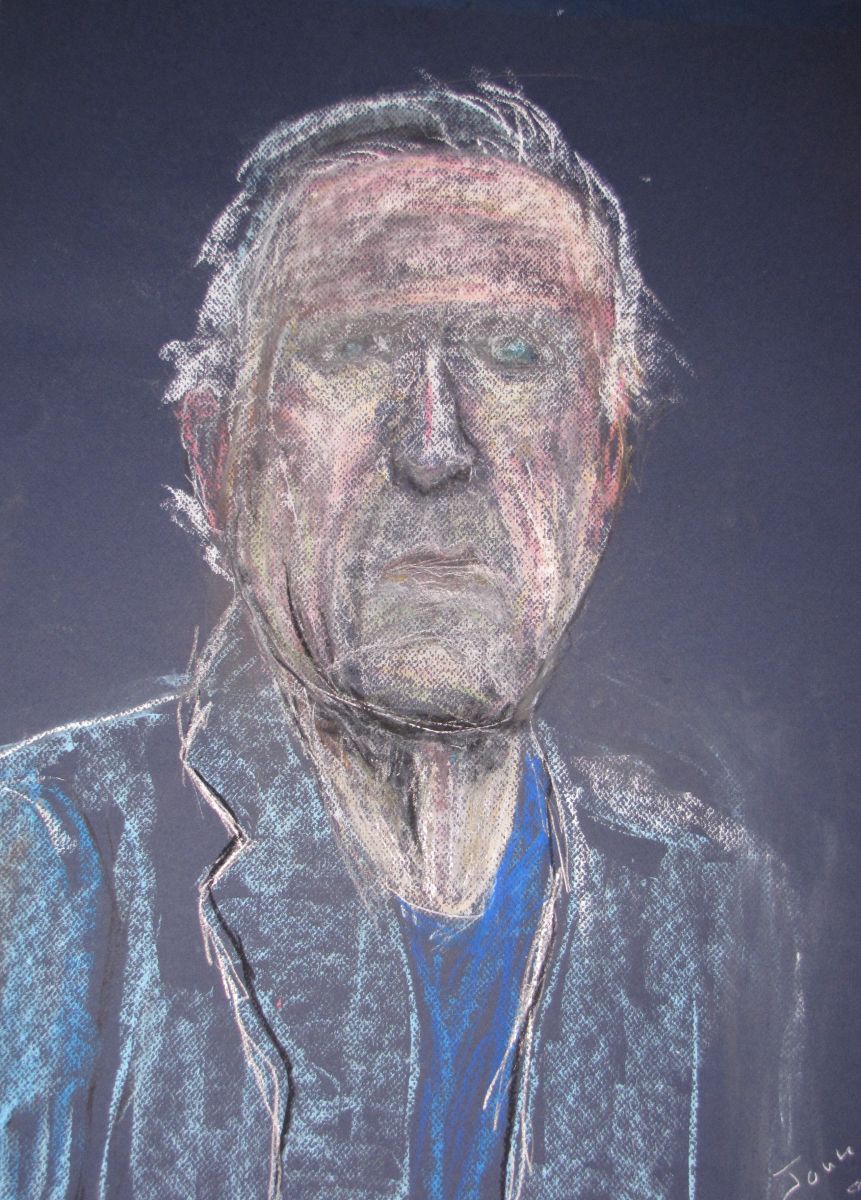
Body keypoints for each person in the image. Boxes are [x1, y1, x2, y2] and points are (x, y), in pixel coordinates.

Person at [0, 81, 805, 1200]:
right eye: (354, 349)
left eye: (516, 355)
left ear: (605, 463)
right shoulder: (46, 861)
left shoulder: (707, 905)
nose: (435, 447)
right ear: (217, 456)